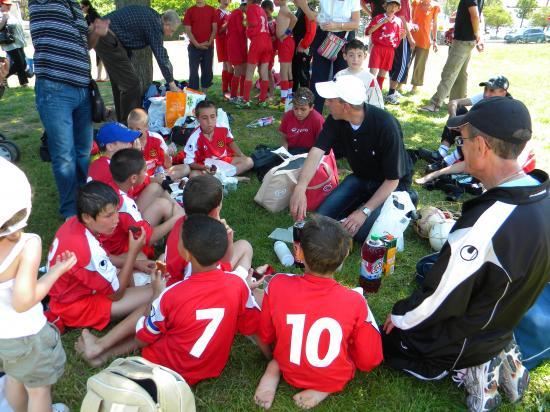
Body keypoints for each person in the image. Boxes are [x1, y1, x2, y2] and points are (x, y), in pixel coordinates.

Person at [382, 97, 550, 411]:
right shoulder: (542, 193)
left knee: (388, 343)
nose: (461, 148)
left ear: (482, 147)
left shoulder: (488, 222)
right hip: (503, 318)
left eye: (464, 140)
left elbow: (440, 297)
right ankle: (499, 351)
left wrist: (400, 316)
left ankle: (476, 365)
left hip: (469, 335)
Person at [77, 215, 267, 381]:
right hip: (210, 368)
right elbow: (251, 326)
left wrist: (156, 295)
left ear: (186, 253)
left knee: (152, 319)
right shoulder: (238, 285)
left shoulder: (170, 295)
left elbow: (144, 339)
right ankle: (102, 352)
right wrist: (271, 358)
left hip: (166, 368)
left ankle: (105, 352)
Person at [253, 216, 383, 409]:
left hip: (289, 364)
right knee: (360, 330)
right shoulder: (355, 301)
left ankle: (275, 366)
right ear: (345, 256)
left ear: (298, 252)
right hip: (333, 373)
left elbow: (265, 333)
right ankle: (326, 386)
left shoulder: (278, 284)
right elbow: (370, 359)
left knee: (269, 310)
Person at [290, 75, 413, 243]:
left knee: (361, 235)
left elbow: (392, 180)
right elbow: (317, 151)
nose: (326, 103)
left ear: (346, 106)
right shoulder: (336, 119)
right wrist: (300, 187)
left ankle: (407, 199)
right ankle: (361, 205)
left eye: (330, 100)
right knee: (319, 219)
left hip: (391, 186)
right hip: (361, 178)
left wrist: (364, 211)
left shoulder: (386, 126)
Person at [0, 158, 76, 412]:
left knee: (14, 376)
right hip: (26, 335)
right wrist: (56, 271)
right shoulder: (27, 244)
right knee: (38, 389)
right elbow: (23, 301)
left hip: (2, 337)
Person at [29, 0, 109, 219]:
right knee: (64, 154)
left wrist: (96, 33)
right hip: (55, 89)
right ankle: (70, 212)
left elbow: (87, 45)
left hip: (82, 88)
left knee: (84, 150)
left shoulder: (74, 4)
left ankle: (83, 199)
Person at [46, 181, 155, 333]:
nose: (116, 219)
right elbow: (116, 294)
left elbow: (106, 257)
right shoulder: (86, 248)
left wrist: (136, 264)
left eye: (116, 211)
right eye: (109, 215)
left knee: (141, 261)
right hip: (74, 306)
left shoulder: (74, 223)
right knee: (154, 292)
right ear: (87, 217)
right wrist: (132, 253)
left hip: (72, 291)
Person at [94, 6, 181, 123]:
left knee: (121, 83)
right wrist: (172, 84)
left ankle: (122, 123)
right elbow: (161, 56)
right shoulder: (155, 24)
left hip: (104, 36)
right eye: (172, 31)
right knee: (132, 85)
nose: (170, 35)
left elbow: (128, 39)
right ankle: (130, 126)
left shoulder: (153, 17)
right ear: (166, 23)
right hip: (106, 36)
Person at [164, 174, 253, 287]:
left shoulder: (181, 224)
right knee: (246, 247)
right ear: (216, 211)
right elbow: (225, 260)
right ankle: (243, 286)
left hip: (175, 280)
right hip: (206, 287)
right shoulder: (206, 238)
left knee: (244, 245)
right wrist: (227, 240)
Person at [102, 148, 184, 259]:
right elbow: (147, 238)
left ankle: (181, 230)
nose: (146, 174)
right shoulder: (124, 204)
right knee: (142, 259)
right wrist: (177, 217)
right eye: (144, 171)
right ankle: (180, 242)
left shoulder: (119, 183)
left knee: (162, 200)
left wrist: (158, 180)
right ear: (134, 178)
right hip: (116, 250)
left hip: (121, 233)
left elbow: (148, 181)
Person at [418, 75, 510, 172]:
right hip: (477, 139)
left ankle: (447, 162)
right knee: (459, 110)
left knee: (476, 133)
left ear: (503, 93)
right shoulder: (486, 98)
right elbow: (454, 102)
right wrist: (454, 118)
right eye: (485, 89)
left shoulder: (505, 108)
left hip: (489, 151)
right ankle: (441, 153)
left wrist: (464, 126)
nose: (486, 94)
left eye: (491, 91)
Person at [87, 122, 170, 214]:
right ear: (110, 146)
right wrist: (136, 155)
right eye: (126, 141)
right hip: (113, 221)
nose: (130, 145)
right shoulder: (117, 169)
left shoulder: (97, 164)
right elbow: (136, 185)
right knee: (160, 198)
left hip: (100, 215)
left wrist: (156, 179)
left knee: (156, 187)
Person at [294, 0, 361, 113]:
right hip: (323, 35)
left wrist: (337, 25)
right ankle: (314, 114)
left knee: (342, 78)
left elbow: (356, 23)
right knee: (319, 77)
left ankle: (341, 113)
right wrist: (306, 8)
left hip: (344, 37)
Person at [419, 0, 484, 113]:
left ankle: (435, 105)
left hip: (463, 41)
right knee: (461, 74)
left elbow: (475, 15)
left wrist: (478, 35)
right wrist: (478, 37)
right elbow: (477, 15)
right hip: (468, 40)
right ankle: (458, 104)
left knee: (449, 72)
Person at [184, 100, 254, 176]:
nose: (209, 121)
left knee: (249, 161)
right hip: (205, 165)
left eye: (212, 117)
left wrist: (241, 155)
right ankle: (227, 178)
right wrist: (204, 167)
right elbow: (189, 162)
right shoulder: (194, 137)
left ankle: (220, 178)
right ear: (198, 119)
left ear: (217, 116)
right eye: (204, 118)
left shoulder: (223, 127)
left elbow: (230, 142)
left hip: (223, 160)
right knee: (193, 175)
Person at [127, 108, 190, 180]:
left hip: (157, 175)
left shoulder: (156, 139)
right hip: (140, 179)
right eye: (130, 128)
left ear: (146, 127)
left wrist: (167, 154)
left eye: (138, 129)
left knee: (186, 168)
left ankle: (163, 183)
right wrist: (136, 154)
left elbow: (168, 165)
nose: (133, 132)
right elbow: (129, 172)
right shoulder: (126, 143)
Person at [365, 0, 404, 96]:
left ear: (398, 8)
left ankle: (377, 95)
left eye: (395, 6)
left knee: (382, 75)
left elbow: (397, 39)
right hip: (378, 48)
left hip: (390, 50)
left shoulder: (398, 21)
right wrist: (381, 23)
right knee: (372, 74)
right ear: (385, 6)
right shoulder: (378, 18)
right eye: (390, 5)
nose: (392, 8)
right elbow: (368, 32)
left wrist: (401, 37)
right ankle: (368, 94)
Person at [239, 0, 273, 107]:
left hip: (258, 41)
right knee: (264, 71)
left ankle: (246, 100)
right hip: (267, 41)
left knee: (250, 71)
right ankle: (262, 100)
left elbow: (253, 23)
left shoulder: (251, 8)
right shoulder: (262, 10)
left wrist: (247, 28)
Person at [334, 39, 384, 109]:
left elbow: (377, 104)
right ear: (345, 56)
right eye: (351, 55)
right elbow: (334, 98)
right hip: (342, 113)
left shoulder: (370, 78)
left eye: (359, 55)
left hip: (362, 115)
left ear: (365, 56)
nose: (355, 59)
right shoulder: (339, 76)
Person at [183, 0, 217, 93]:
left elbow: (214, 29)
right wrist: (197, 44)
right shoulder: (190, 11)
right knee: (193, 72)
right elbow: (188, 30)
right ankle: (195, 96)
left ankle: (204, 96)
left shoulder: (212, 10)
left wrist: (209, 43)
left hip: (208, 47)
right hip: (193, 47)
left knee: (207, 71)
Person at [386, 0, 415, 105]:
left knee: (395, 64)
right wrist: (410, 38)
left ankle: (392, 91)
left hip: (396, 33)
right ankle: (391, 93)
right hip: (401, 35)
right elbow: (402, 18)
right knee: (402, 65)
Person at [279, 87, 324, 152]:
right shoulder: (288, 116)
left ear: (311, 107)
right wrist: (284, 150)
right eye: (295, 108)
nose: (299, 113)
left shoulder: (318, 120)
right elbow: (284, 137)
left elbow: (321, 144)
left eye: (303, 109)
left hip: (309, 152)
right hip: (290, 150)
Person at [408, 0, 439, 94]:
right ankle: (400, 83)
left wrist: (434, 40)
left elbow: (435, 23)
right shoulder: (415, 3)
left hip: (425, 40)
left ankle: (414, 87)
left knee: (420, 65)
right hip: (411, 38)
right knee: (406, 62)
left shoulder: (435, 7)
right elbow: (410, 19)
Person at [0, 0, 32, 87]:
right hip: (10, 44)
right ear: (1, 4)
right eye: (6, 4)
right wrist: (4, 19)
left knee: (21, 63)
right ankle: (3, 77)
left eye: (10, 4)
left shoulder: (9, 13)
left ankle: (22, 82)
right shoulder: (2, 14)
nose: (9, 6)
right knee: (20, 63)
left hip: (18, 43)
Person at [275, 0, 297, 105]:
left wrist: (286, 34)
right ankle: (288, 96)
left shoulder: (284, 9)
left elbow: (294, 19)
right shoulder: (283, 9)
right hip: (286, 42)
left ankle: (284, 98)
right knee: (288, 69)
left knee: (284, 70)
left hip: (285, 42)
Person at [80, 0, 107, 82]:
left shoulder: (92, 14)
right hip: (98, 37)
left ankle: (105, 76)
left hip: (100, 37)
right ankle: (99, 76)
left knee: (102, 57)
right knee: (99, 57)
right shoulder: (88, 15)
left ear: (87, 6)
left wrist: (84, 31)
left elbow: (91, 27)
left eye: (82, 7)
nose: (81, 9)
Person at [290, 4, 316, 91]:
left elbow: (312, 31)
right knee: (295, 70)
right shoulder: (299, 10)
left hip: (304, 48)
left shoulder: (308, 10)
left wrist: (303, 45)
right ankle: (294, 94)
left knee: (303, 72)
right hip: (297, 47)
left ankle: (305, 97)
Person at [226, 0, 247, 103]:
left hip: (240, 44)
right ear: (244, 5)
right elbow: (241, 29)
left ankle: (242, 95)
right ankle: (234, 96)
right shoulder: (237, 13)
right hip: (236, 45)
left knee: (244, 70)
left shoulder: (237, 13)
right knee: (238, 70)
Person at [215, 0, 233, 97]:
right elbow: (218, 30)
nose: (226, 1)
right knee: (229, 65)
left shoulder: (230, 12)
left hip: (230, 42)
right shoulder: (217, 12)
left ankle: (226, 89)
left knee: (227, 66)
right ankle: (229, 89)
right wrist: (228, 23)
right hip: (222, 41)